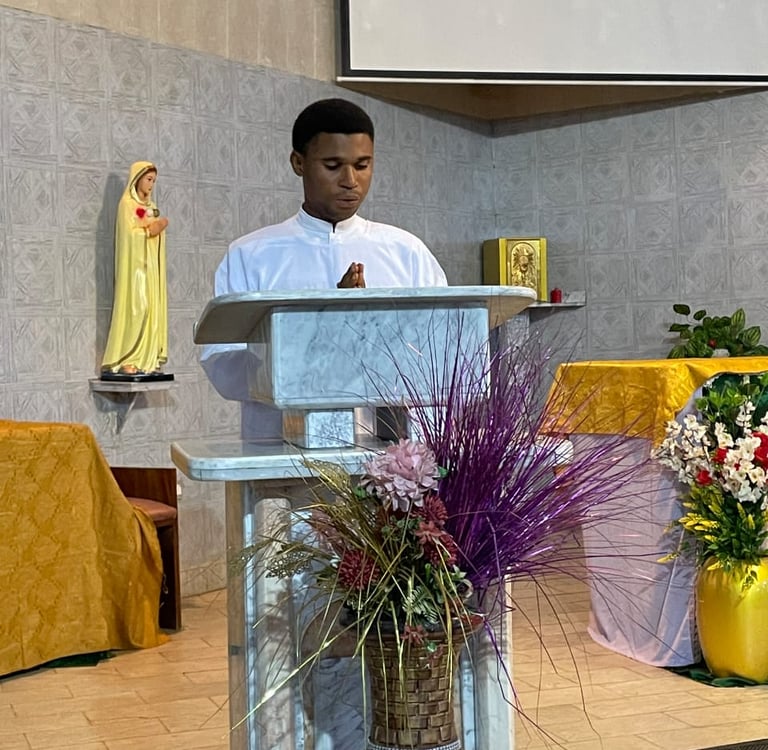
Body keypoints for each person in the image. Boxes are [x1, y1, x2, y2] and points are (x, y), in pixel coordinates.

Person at [201, 98, 447, 438]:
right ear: (298, 163)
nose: (350, 180)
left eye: (362, 165)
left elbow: (441, 354)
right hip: (280, 449)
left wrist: (371, 329)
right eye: (333, 165)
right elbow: (223, 362)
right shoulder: (252, 255)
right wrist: (328, 324)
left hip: (388, 452)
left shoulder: (406, 252)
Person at [101, 161, 170, 378]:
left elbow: (154, 233)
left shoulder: (150, 206)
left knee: (152, 310)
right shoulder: (127, 205)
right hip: (134, 269)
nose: (151, 185)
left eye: (154, 181)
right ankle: (128, 357)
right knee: (137, 308)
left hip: (150, 269)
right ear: (137, 178)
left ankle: (146, 359)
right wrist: (149, 231)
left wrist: (157, 230)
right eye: (148, 179)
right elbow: (128, 235)